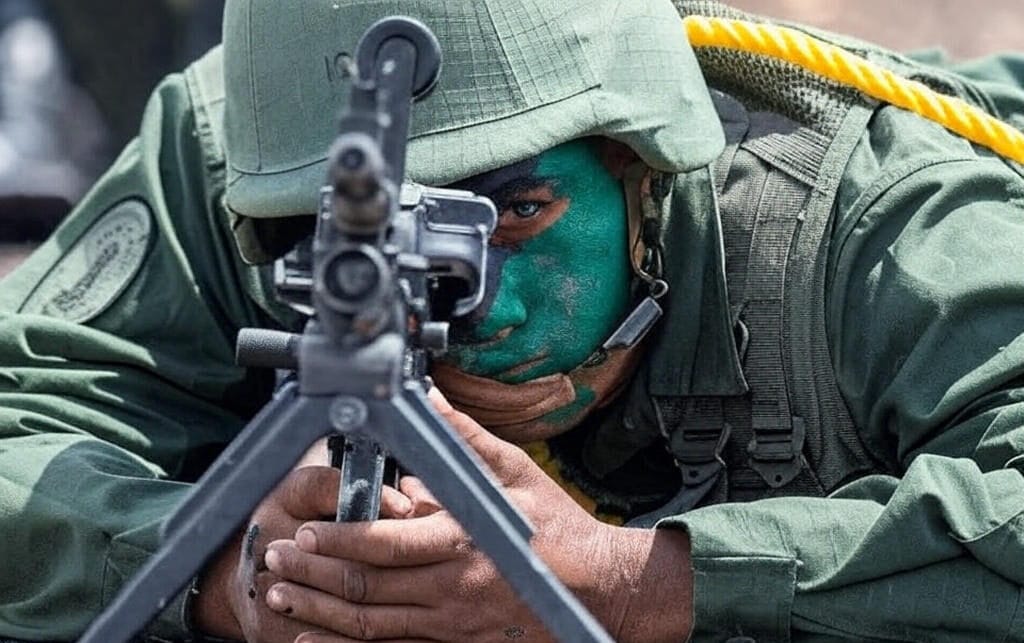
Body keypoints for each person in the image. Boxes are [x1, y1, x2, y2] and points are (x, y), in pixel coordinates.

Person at [2, 0, 1024, 641]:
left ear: (638, 159)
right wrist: (223, 572)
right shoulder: (247, 160)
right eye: (364, 244)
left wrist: (636, 585)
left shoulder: (882, 221)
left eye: (515, 216)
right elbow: (24, 426)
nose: (470, 308)